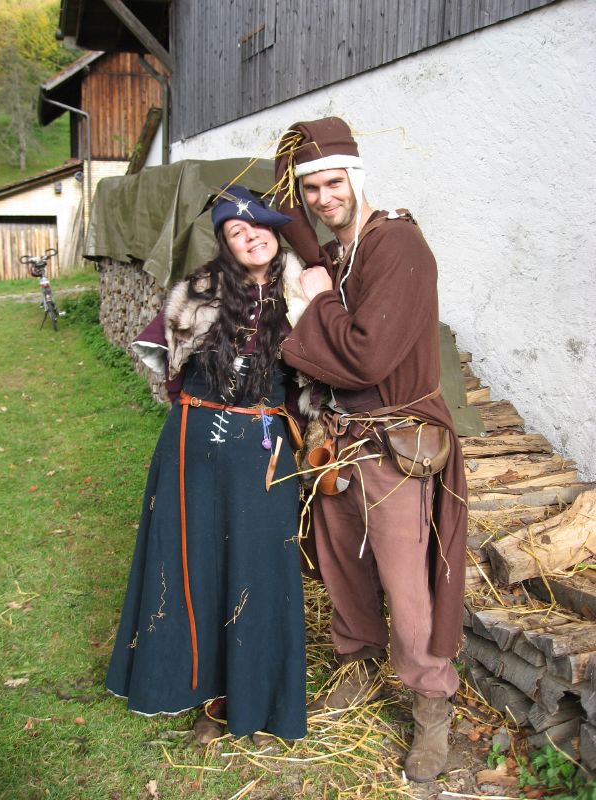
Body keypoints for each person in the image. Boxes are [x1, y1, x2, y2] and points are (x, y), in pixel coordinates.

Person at [273, 117, 468, 782]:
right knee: (342, 569)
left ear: (357, 179)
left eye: (334, 183)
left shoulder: (398, 246)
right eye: (312, 188)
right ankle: (358, 664)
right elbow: (334, 344)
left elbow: (365, 356)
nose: (324, 198)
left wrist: (320, 301)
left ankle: (431, 708)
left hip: (395, 444)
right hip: (339, 440)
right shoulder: (342, 251)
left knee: (406, 589)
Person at [105, 185, 308, 746]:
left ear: (276, 230)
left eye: (259, 227)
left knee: (261, 572)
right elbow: (159, 360)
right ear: (224, 242)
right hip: (193, 444)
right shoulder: (199, 288)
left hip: (264, 447)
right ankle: (211, 698)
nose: (251, 237)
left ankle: (264, 703)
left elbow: (324, 368)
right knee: (197, 567)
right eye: (236, 233)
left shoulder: (304, 290)